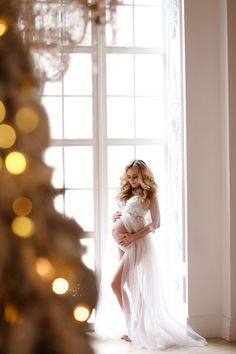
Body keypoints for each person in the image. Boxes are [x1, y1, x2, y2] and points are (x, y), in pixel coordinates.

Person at [95, 159, 207, 350]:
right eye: (129, 177)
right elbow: (126, 214)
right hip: (122, 244)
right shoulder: (127, 192)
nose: (132, 180)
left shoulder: (150, 195)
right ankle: (135, 327)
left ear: (144, 176)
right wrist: (115, 216)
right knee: (132, 286)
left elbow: (155, 224)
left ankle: (136, 329)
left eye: (135, 177)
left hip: (136, 244)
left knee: (116, 284)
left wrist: (131, 238)